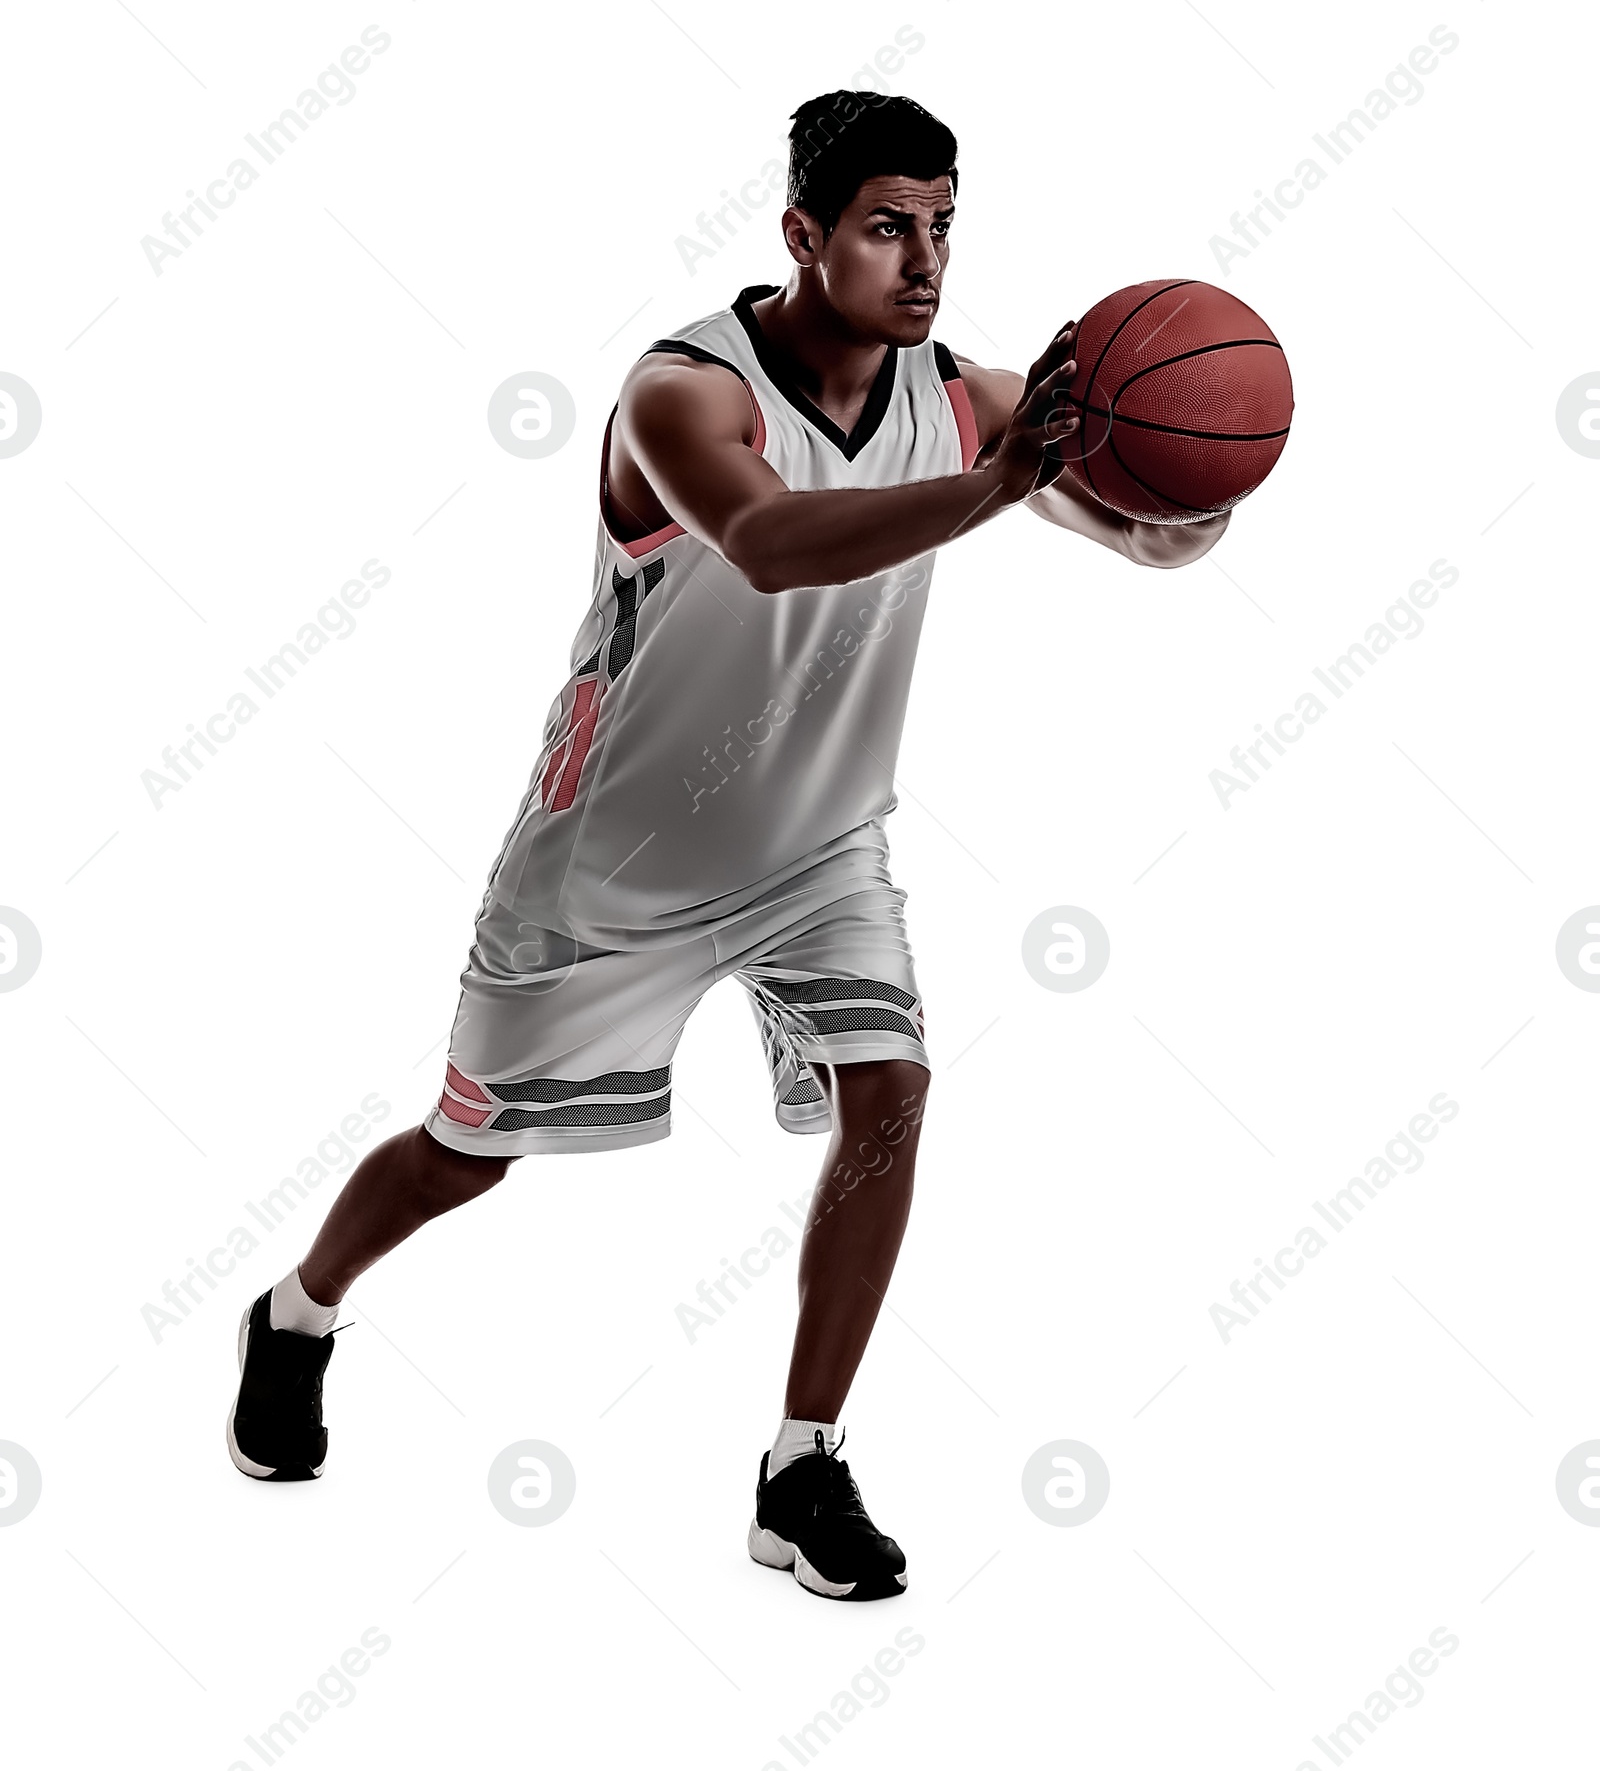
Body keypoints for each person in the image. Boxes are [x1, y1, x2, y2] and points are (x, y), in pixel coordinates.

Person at [227, 90, 1229, 1600]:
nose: (926, 259)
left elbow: (1151, 541)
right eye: (891, 224)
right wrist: (995, 487)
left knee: (891, 1091)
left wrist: (1184, 471)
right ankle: (298, 1313)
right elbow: (764, 546)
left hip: (819, 853)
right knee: (464, 1160)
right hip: (613, 861)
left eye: (946, 225)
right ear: (803, 234)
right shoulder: (685, 394)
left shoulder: (964, 401)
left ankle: (800, 1465)